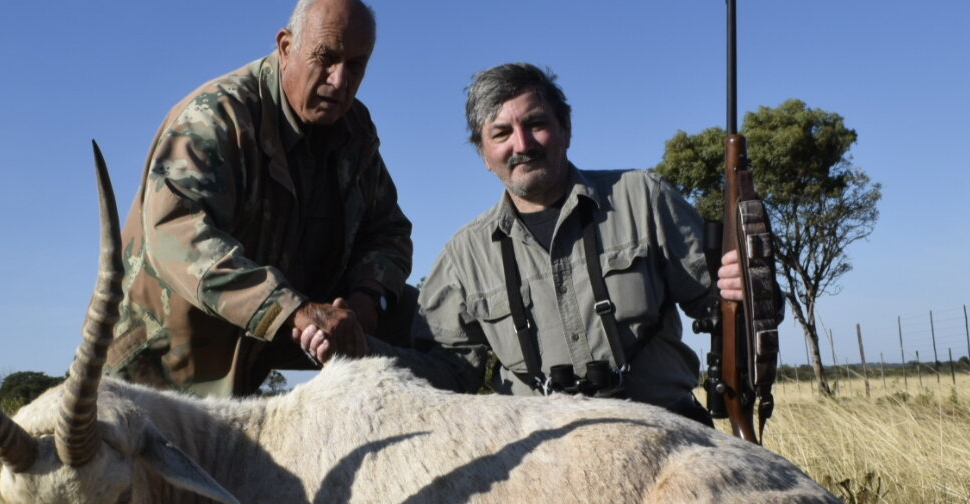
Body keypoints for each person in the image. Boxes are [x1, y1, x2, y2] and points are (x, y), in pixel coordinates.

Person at [303, 62, 747, 425]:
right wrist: (362, 350)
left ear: (566, 128)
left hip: (669, 435)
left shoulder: (641, 197)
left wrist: (744, 288)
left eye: (536, 124)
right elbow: (449, 372)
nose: (522, 144)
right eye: (501, 133)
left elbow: (725, 308)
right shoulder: (462, 259)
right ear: (483, 152)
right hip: (544, 471)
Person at [106, 0, 414, 396]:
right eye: (325, 57)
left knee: (424, 318)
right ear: (286, 46)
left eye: (356, 65)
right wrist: (294, 312)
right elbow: (177, 237)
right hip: (165, 364)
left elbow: (388, 230)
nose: (340, 81)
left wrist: (364, 306)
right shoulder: (215, 117)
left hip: (273, 340)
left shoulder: (354, 128)